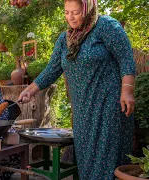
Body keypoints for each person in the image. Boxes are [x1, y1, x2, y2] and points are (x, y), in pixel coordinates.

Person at [17, 0, 136, 179]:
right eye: (67, 12)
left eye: (76, 12)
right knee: (87, 162)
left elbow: (126, 59)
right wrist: (30, 90)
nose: (70, 17)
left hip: (108, 107)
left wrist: (127, 91)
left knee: (107, 161)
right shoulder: (66, 39)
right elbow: (52, 69)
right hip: (83, 113)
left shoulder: (106, 26)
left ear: (88, 9)